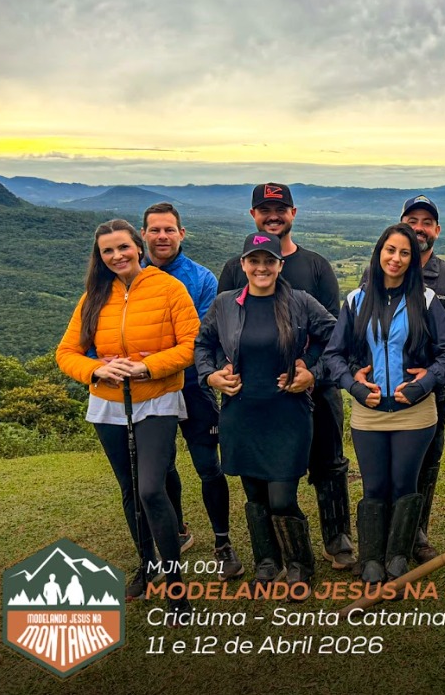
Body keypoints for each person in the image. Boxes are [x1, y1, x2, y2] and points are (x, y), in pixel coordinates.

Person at [56, 219, 199, 612]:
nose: (117, 255)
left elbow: (192, 345)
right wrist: (95, 370)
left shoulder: (170, 288)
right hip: (108, 404)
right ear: (100, 258)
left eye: (123, 247)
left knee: (151, 488)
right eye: (107, 251)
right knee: (129, 489)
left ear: (138, 247)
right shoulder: (93, 296)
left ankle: (174, 584)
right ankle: (146, 563)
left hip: (157, 399)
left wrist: (147, 367)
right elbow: (66, 352)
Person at [218, 183, 354, 569]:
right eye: (264, 209)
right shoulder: (233, 268)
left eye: (281, 209)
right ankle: (274, 555)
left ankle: (337, 537)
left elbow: (333, 332)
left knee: (328, 462)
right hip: (260, 393)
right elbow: (226, 325)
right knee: (263, 475)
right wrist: (222, 370)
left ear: (293, 213)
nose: (273, 215)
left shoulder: (316, 265)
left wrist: (309, 369)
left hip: (317, 385)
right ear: (253, 215)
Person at [196, 233, 336, 599]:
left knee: (281, 498)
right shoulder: (225, 304)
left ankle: (300, 564)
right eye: (254, 261)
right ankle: (266, 563)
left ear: (280, 265)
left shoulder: (300, 302)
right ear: (243, 265)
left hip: (287, 415)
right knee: (255, 494)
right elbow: (203, 344)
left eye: (269, 261)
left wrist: (312, 371)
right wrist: (210, 375)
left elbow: (338, 337)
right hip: (241, 414)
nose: (261, 267)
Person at [325, 224, 445, 585]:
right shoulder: (355, 301)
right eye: (390, 250)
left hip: (415, 413)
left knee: (404, 485)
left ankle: (397, 557)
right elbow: (333, 355)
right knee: (374, 487)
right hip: (368, 413)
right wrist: (353, 386)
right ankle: (371, 558)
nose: (395, 259)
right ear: (379, 253)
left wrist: (424, 384)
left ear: (413, 260)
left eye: (404, 253)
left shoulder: (427, 301)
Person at [141, 202, 241, 581]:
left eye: (169, 229)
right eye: (155, 230)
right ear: (144, 235)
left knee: (207, 466)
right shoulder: (131, 279)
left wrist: (157, 353)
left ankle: (222, 541)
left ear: (181, 233)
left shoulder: (201, 278)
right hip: (152, 388)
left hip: (195, 385)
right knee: (161, 466)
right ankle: (178, 532)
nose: (162, 236)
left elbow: (202, 335)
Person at [397, 195, 445, 564]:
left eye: (426, 222)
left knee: (427, 463)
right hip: (387, 389)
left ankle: (417, 533)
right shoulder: (382, 268)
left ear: (436, 231)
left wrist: (429, 376)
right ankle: (393, 534)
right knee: (392, 464)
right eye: (412, 219)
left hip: (433, 391)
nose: (419, 228)